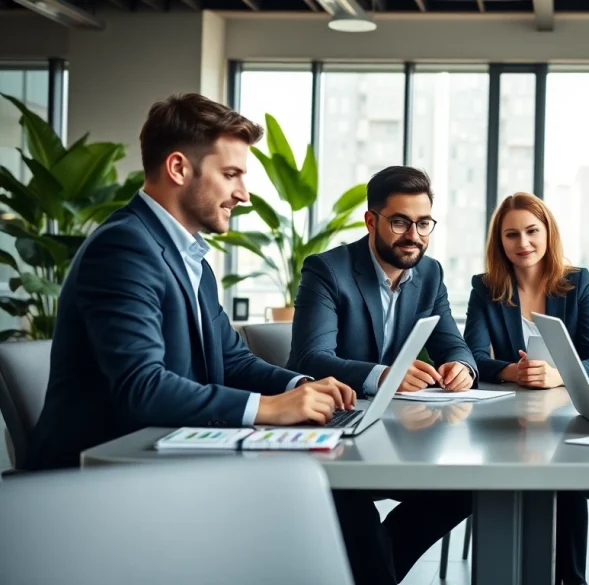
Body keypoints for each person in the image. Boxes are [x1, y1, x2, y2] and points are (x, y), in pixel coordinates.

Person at [27, 93, 356, 472]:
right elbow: (143, 387)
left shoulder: (189, 256)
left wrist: (298, 386)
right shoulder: (124, 247)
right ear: (179, 168)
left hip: (166, 458)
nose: (243, 195)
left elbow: (232, 361)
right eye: (230, 174)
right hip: (98, 477)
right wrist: (267, 408)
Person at [287, 165, 475, 584]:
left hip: (397, 435)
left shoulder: (430, 274)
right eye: (400, 222)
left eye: (423, 223)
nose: (414, 235)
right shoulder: (327, 270)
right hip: (333, 430)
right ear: (371, 220)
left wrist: (462, 367)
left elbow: (454, 344)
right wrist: (382, 374)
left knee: (465, 487)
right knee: (353, 510)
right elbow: (310, 359)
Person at [463, 191, 589, 585]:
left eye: (531, 231)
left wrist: (560, 373)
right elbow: (472, 357)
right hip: (506, 417)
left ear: (548, 233)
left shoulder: (576, 283)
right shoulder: (485, 287)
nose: (523, 243)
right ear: (500, 241)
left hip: (566, 414)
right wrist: (513, 371)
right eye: (512, 235)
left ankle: (571, 579)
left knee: (568, 476)